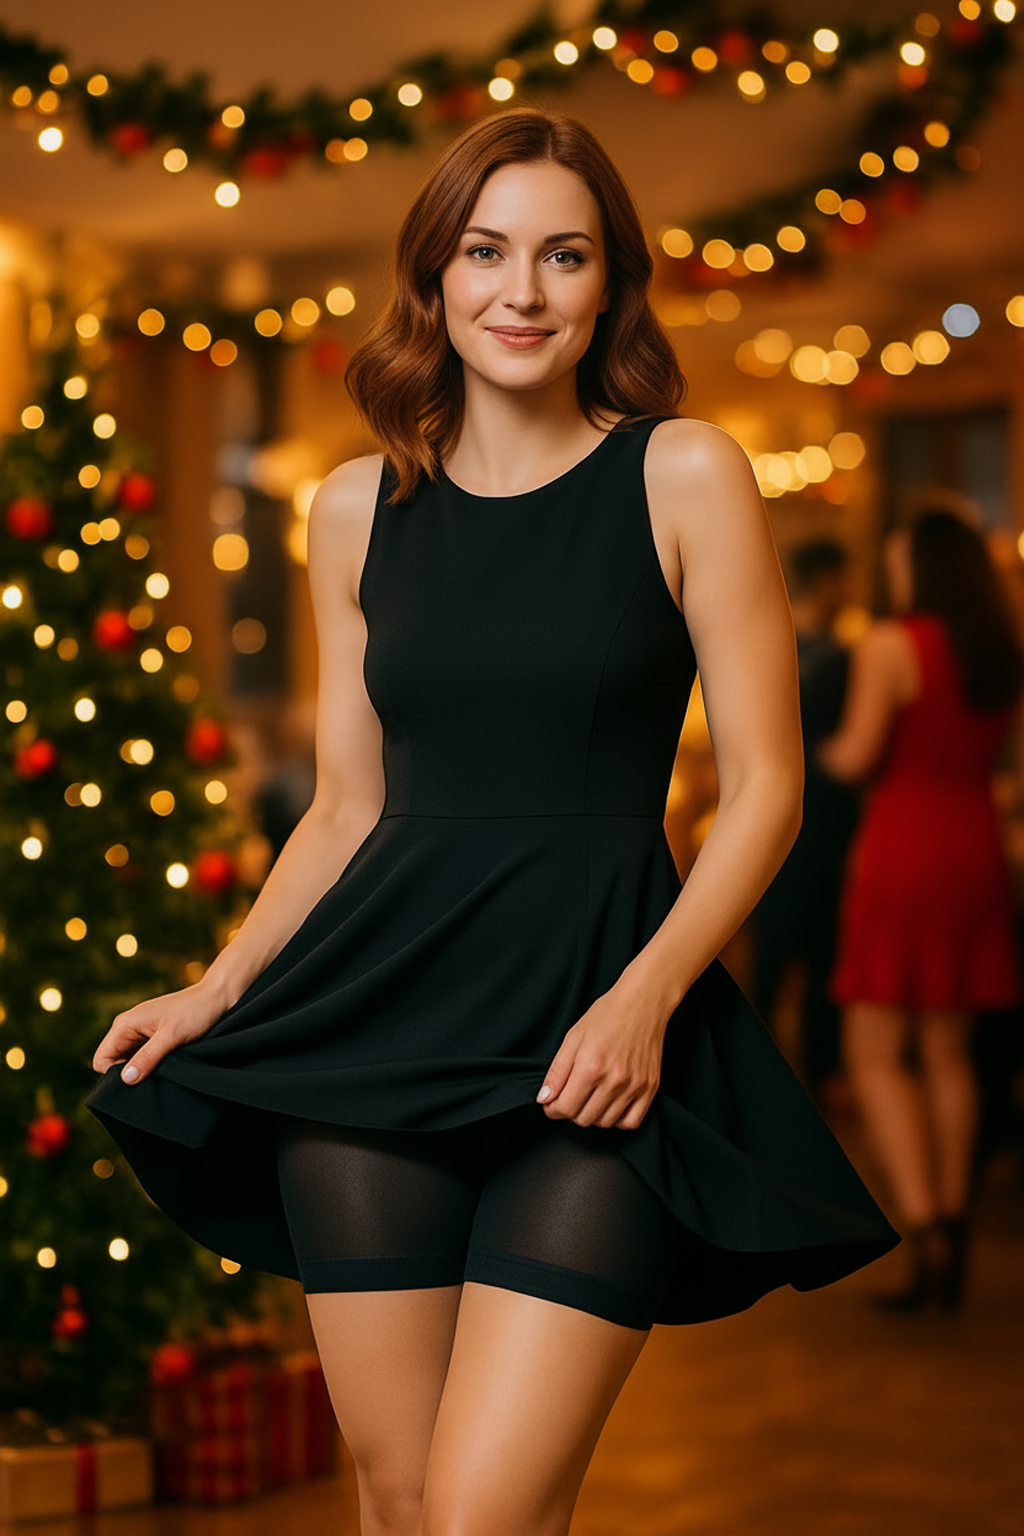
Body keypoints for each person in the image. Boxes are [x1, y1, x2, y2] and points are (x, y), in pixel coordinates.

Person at [90, 111, 896, 1536]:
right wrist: (220, 987)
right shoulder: (352, 508)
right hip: (371, 1033)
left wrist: (647, 1000)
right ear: (435, 277)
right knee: (400, 1504)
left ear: (609, 287)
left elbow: (768, 785)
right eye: (487, 251)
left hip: (595, 1053)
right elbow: (349, 806)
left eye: (564, 255)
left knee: (479, 1520)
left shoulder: (685, 473)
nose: (522, 291)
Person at [823, 508, 1024, 1313]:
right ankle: (959, 1223)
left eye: (900, 558)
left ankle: (926, 1228)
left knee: (874, 1050)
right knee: (950, 1053)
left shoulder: (890, 644)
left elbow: (857, 753)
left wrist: (812, 743)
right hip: (975, 847)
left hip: (902, 848)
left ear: (922, 568)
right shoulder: (997, 650)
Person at [750, 538, 859, 1095]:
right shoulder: (819, 650)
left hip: (818, 809)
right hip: (813, 803)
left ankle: (791, 1071)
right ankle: (783, 1069)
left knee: (805, 939)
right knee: (796, 936)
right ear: (826, 579)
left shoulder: (823, 645)